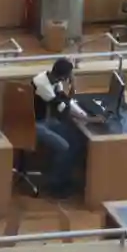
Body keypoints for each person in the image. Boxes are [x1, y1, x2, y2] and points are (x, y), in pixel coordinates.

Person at [31, 58, 85, 197]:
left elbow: (63, 100)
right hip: (34, 125)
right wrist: (73, 86)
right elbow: (62, 108)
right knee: (64, 146)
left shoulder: (52, 79)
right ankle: (55, 185)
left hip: (45, 120)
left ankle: (65, 178)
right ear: (64, 76)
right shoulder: (42, 85)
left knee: (75, 139)